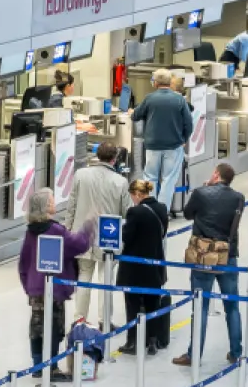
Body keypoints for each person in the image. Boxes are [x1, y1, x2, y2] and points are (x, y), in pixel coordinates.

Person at [173, 162, 244, 366]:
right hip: (227, 255)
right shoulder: (238, 197)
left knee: (200, 306)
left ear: (216, 175)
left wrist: (204, 188)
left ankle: (194, 354)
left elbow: (187, 214)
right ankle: (236, 352)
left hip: (203, 255)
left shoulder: (201, 193)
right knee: (232, 306)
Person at [17, 188, 89, 381]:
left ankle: (38, 365)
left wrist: (29, 285)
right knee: (55, 327)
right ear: (44, 207)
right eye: (51, 201)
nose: (54, 203)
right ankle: (52, 367)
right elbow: (78, 245)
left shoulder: (30, 232)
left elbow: (23, 262)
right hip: (54, 288)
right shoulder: (55, 230)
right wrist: (88, 227)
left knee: (37, 326)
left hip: (36, 288)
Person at [66, 142, 131, 335]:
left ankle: (79, 320)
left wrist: (68, 232)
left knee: (84, 277)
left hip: (83, 235)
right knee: (106, 280)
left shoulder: (81, 175)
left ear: (97, 155)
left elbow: (72, 206)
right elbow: (126, 213)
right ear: (114, 159)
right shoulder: (120, 182)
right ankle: (105, 321)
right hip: (108, 238)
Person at [119, 177, 172, 355]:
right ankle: (153, 341)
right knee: (152, 303)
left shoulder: (135, 212)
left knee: (132, 304)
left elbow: (126, 237)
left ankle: (133, 342)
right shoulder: (162, 208)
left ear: (137, 194)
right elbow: (162, 233)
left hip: (134, 267)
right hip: (155, 264)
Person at [132, 72, 194, 210]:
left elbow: (135, 116)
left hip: (153, 146)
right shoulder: (179, 100)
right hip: (174, 146)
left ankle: (150, 209)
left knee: (150, 178)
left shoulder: (149, 98)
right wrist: (184, 139)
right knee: (169, 180)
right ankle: (162, 211)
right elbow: (189, 123)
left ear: (155, 83)